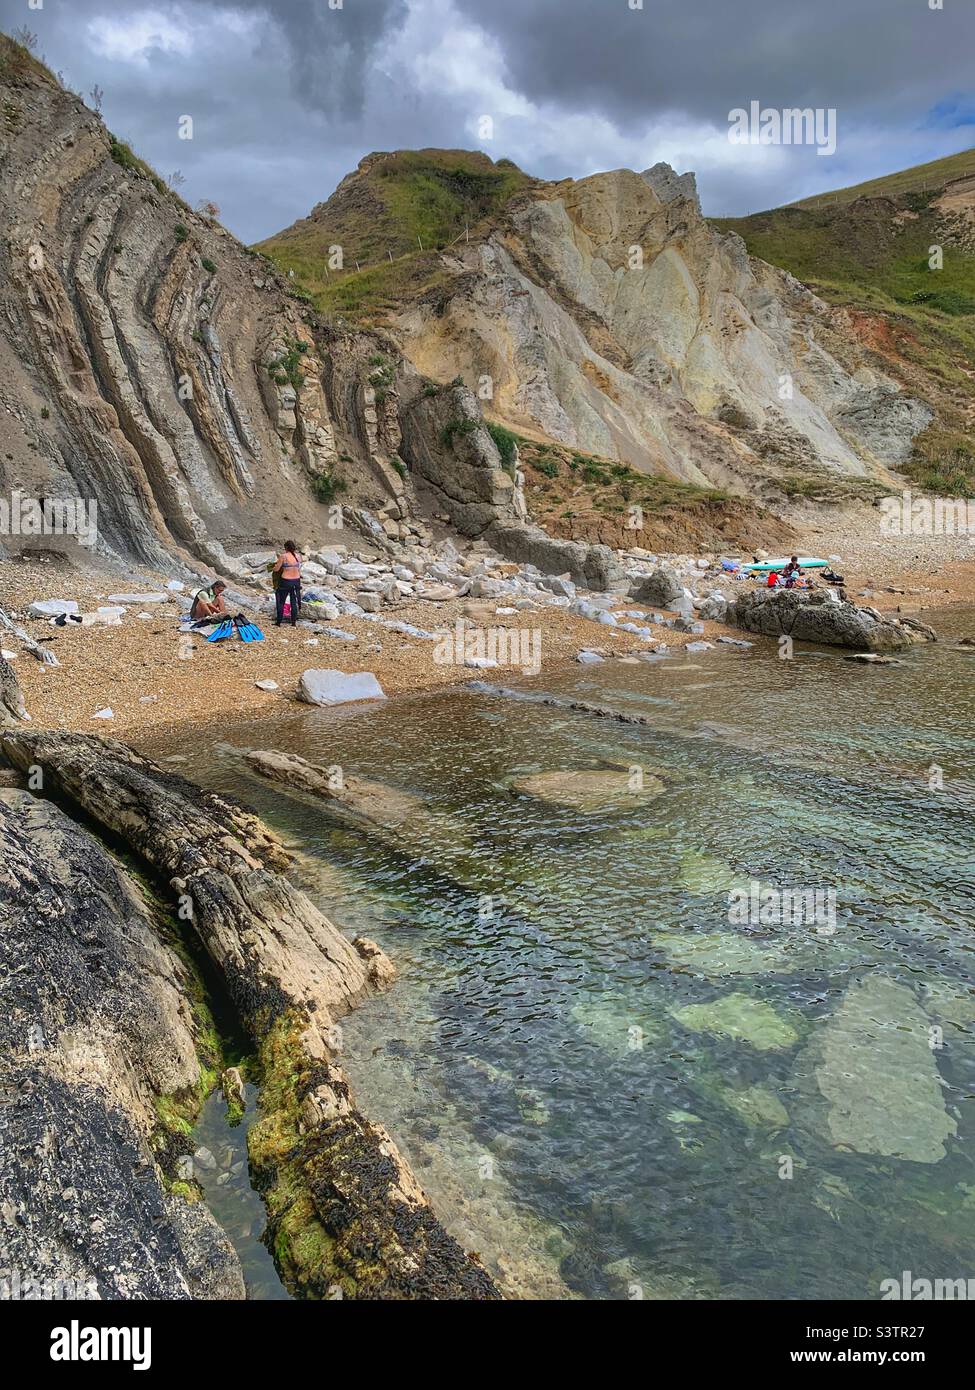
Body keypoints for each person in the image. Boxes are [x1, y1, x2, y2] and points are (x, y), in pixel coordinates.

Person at [272, 540, 302, 627]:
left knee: (281, 601)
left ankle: (278, 622)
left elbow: (276, 569)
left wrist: (273, 568)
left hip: (286, 581)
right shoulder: (298, 556)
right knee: (293, 601)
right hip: (296, 581)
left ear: (286, 548)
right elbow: (299, 569)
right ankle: (293, 623)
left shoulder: (283, 556)